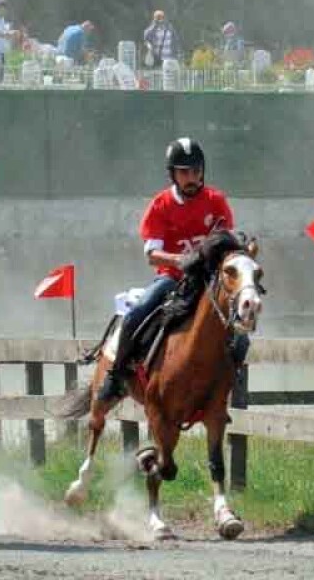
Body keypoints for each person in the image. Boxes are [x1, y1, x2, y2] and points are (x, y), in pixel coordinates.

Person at [97, 138, 246, 402]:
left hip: (209, 281)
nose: (192, 178)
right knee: (136, 315)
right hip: (172, 280)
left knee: (242, 330)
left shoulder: (216, 201)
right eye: (185, 172)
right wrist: (180, 260)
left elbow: (226, 241)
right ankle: (115, 377)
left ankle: (227, 383)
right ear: (173, 175)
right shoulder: (160, 205)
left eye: (196, 171)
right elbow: (152, 255)